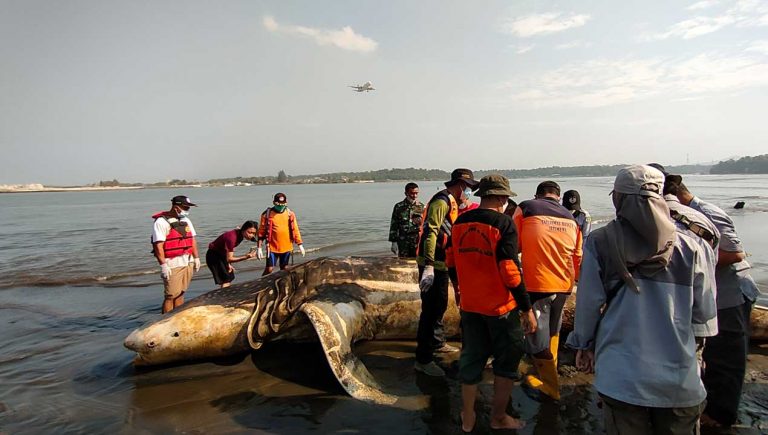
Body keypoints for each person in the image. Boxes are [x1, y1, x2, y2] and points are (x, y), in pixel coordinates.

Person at [566, 165, 716, 434]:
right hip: (679, 379)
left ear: (619, 199)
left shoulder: (600, 242)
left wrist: (584, 345)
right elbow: (704, 318)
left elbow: (588, 306)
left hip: (622, 377)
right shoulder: (693, 246)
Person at [665, 172, 760, 427]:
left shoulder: (708, 212)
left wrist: (689, 261)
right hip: (710, 294)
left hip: (730, 294)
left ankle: (720, 416)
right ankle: (711, 406)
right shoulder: (680, 215)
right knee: (711, 354)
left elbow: (735, 253)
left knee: (726, 357)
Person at [446, 174, 537, 431]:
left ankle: (467, 416)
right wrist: (527, 308)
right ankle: (499, 418)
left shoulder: (459, 222)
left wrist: (458, 289)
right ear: (500, 197)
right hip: (500, 309)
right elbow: (510, 270)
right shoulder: (504, 224)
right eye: (506, 197)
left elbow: (451, 260)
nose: (507, 201)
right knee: (506, 363)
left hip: (471, 306)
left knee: (471, 359)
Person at [512, 180, 581, 400]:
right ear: (558, 198)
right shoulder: (571, 218)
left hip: (538, 283)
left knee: (534, 334)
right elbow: (578, 256)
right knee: (553, 329)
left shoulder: (526, 207)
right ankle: (549, 373)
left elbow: (513, 243)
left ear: (537, 194)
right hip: (564, 285)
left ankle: (551, 387)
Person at [415, 168, 479, 376]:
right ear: (460, 185)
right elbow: (430, 231)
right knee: (432, 309)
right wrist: (429, 265)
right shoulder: (441, 202)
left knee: (440, 305)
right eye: (468, 188)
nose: (469, 192)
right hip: (433, 263)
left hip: (442, 262)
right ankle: (423, 359)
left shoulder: (451, 202)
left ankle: (437, 342)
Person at [151, 195, 201, 314]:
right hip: (172, 263)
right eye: (185, 207)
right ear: (176, 207)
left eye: (188, 208)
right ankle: (164, 320)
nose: (187, 210)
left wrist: (196, 257)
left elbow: (192, 239)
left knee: (181, 292)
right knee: (171, 295)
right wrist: (163, 265)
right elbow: (158, 246)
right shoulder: (161, 222)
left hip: (187, 260)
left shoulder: (186, 220)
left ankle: (177, 315)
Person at [257, 193, 305, 275]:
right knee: (269, 269)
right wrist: (259, 248)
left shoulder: (290, 214)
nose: (280, 206)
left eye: (283, 204)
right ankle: (260, 283)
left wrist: (300, 244)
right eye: (278, 204)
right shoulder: (266, 214)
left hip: (286, 246)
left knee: (284, 268)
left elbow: (295, 229)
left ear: (286, 203)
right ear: (274, 203)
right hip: (272, 247)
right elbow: (261, 231)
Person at [206, 221, 259, 288]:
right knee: (226, 279)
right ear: (243, 229)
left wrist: (228, 264)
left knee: (230, 276)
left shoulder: (240, 234)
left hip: (221, 255)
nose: (251, 235)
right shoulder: (232, 238)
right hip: (214, 256)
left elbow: (226, 251)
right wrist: (246, 257)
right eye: (249, 232)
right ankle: (223, 296)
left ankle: (224, 295)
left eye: (254, 233)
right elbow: (230, 258)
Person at [388, 182, 424, 258]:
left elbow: (425, 225)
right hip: (403, 242)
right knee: (403, 263)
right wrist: (393, 242)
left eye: (416, 193)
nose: (414, 196)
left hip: (416, 241)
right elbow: (394, 225)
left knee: (416, 263)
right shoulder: (399, 207)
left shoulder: (421, 206)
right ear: (406, 193)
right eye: (412, 193)